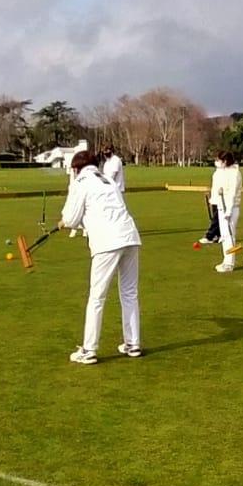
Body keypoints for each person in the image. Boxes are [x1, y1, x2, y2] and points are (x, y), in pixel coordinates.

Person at [58, 148, 142, 363]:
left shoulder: (81, 183)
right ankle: (133, 344)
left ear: (76, 169)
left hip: (107, 241)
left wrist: (65, 221)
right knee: (129, 293)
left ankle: (89, 349)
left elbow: (71, 218)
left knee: (97, 297)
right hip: (130, 237)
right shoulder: (108, 181)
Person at [209, 151, 243, 273]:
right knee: (224, 236)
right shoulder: (221, 172)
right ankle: (225, 260)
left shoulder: (235, 173)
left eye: (219, 160)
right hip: (221, 207)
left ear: (225, 161)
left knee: (229, 236)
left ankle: (230, 263)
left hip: (231, 209)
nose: (216, 162)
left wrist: (229, 209)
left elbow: (232, 193)